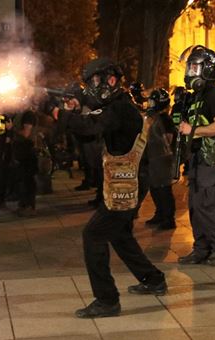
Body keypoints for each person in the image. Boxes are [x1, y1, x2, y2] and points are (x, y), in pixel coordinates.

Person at [55, 58, 167, 318]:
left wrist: (64, 115)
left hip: (129, 181)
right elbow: (88, 130)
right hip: (128, 180)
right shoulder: (117, 106)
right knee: (119, 234)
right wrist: (74, 109)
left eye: (95, 80)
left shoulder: (119, 108)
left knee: (93, 234)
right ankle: (153, 279)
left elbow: (92, 126)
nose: (92, 87)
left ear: (111, 80)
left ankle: (107, 300)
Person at [176, 45, 215, 266]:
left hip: (212, 157)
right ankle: (201, 249)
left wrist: (193, 131)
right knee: (195, 206)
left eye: (194, 66)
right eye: (189, 66)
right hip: (198, 158)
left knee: (206, 205)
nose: (189, 71)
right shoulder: (196, 95)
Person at [143, 88, 176, 230]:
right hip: (153, 158)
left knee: (164, 190)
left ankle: (168, 219)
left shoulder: (165, 119)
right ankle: (160, 213)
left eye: (151, 101)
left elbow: (168, 140)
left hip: (162, 160)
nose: (149, 104)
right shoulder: (154, 118)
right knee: (155, 188)